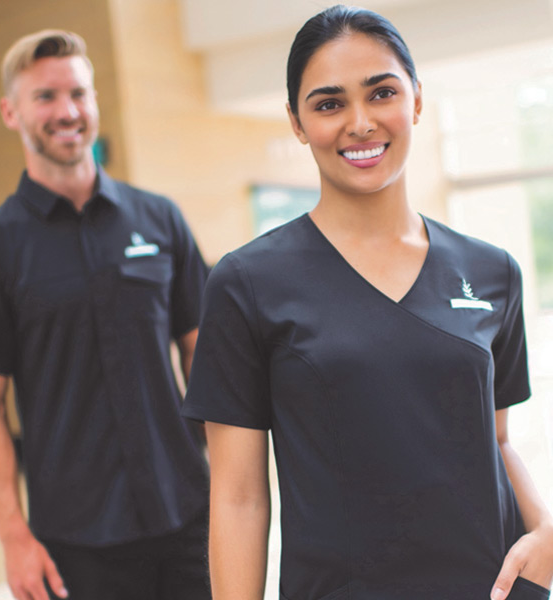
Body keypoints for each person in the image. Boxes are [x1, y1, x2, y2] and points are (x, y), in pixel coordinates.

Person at [182, 5, 553, 600]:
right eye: (329, 103)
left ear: (416, 100)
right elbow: (239, 496)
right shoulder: (247, 282)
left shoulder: (491, 271)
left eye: (381, 92)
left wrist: (546, 529)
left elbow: (498, 439)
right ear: (298, 123)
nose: (360, 122)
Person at [0, 29, 210, 600]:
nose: (67, 111)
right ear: (11, 112)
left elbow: (203, 356)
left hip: (191, 516)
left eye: (79, 93)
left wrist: (235, 490)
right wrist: (14, 538)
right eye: (46, 97)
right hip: (78, 540)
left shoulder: (159, 219)